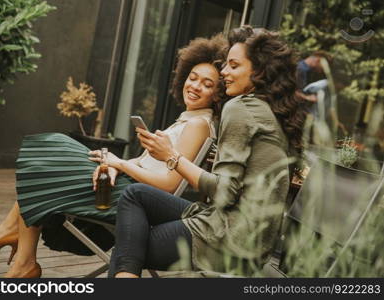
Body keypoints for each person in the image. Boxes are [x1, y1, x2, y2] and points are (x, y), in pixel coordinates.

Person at [0, 35, 228, 278]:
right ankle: (20, 255)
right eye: (193, 78)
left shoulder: (198, 125)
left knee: (52, 153)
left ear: (217, 95)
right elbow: (147, 165)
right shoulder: (188, 120)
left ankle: (17, 248)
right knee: (51, 158)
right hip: (128, 186)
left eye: (207, 84)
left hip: (134, 201)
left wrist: (118, 164)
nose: (195, 86)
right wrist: (116, 164)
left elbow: (169, 184)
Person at [106, 25, 307, 278]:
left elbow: (225, 191)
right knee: (136, 197)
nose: (224, 72)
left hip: (229, 238)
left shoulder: (240, 108)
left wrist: (171, 156)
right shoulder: (273, 113)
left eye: (234, 66)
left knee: (127, 248)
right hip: (254, 242)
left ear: (259, 71)